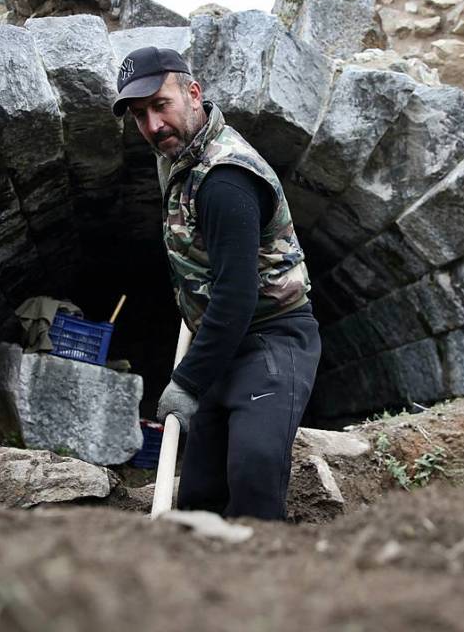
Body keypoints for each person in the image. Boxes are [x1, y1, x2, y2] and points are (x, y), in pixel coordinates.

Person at [113, 46, 321, 520]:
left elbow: (236, 295)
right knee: (202, 490)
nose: (153, 125)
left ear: (193, 93)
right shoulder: (177, 157)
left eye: (160, 105)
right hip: (221, 341)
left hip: (271, 338)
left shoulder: (226, 180)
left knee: (253, 471)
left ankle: (263, 560)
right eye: (140, 115)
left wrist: (186, 382)